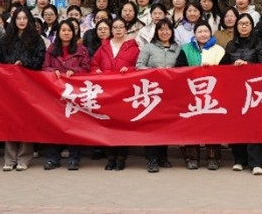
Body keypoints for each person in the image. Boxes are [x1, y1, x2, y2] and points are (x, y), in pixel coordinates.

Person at [0, 8, 45, 171]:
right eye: (18, 18)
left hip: (28, 86)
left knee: (25, 121)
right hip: (8, 86)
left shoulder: (36, 40)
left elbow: (39, 61)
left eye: (25, 18)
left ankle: (24, 158)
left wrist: (24, 63)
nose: (22, 21)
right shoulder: (6, 39)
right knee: (9, 120)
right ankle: (9, 159)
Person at [176, 21, 230, 169]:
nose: (203, 34)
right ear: (194, 34)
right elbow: (179, 69)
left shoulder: (219, 50)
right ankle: (191, 157)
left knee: (212, 125)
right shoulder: (186, 49)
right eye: (199, 31)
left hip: (213, 94)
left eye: (206, 31)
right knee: (191, 125)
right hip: (191, 93)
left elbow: (227, 70)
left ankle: (213, 157)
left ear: (210, 33)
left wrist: (213, 69)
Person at [42, 19, 91, 171]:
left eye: (69, 30)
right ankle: (53, 158)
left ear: (74, 32)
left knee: (74, 125)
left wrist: (74, 71)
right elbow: (45, 66)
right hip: (55, 93)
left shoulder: (81, 50)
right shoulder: (51, 49)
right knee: (54, 125)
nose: (66, 33)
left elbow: (86, 68)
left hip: (74, 93)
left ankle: (74, 158)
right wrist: (53, 71)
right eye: (63, 30)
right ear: (58, 32)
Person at [91, 16, 139, 170]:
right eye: (115, 27)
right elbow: (94, 64)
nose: (118, 30)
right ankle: (110, 157)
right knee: (107, 124)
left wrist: (129, 70)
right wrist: (96, 71)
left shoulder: (133, 47)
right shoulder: (104, 47)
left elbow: (138, 66)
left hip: (125, 92)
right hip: (106, 92)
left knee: (122, 124)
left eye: (121, 27)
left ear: (126, 29)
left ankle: (121, 158)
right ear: (111, 30)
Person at [226, 13, 262, 175]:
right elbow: (223, 66)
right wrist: (232, 65)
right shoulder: (231, 45)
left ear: (252, 26)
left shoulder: (259, 43)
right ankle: (239, 160)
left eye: (247, 24)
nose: (243, 26)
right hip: (235, 90)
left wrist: (248, 65)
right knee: (237, 125)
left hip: (254, 91)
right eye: (241, 24)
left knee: (253, 126)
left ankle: (255, 162)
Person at [136, 18, 180, 172]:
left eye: (167, 29)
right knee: (152, 126)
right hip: (152, 92)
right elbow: (139, 66)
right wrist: (155, 71)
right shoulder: (149, 47)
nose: (164, 32)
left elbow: (182, 68)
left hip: (170, 93)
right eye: (161, 29)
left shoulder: (177, 48)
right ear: (156, 32)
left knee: (166, 126)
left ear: (172, 31)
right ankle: (152, 159)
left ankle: (163, 157)